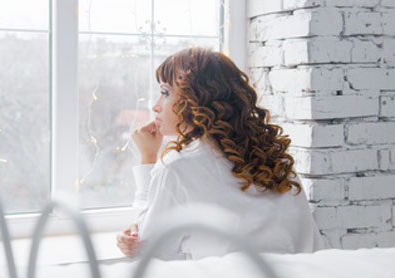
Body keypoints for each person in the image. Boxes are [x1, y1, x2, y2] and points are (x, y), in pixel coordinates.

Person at [116, 47, 325, 260]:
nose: (156, 107)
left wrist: (147, 159)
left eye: (165, 93)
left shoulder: (177, 168)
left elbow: (150, 252)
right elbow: (311, 246)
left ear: (195, 100)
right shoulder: (276, 160)